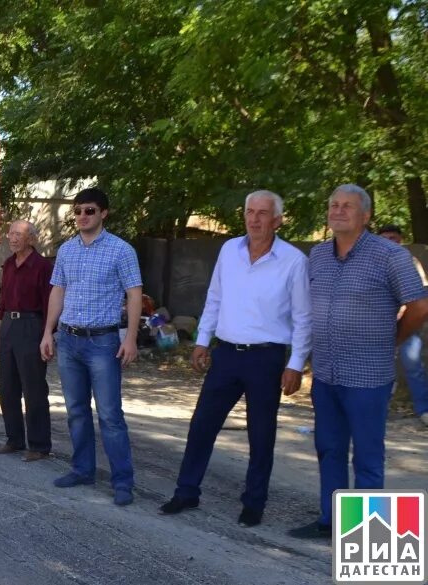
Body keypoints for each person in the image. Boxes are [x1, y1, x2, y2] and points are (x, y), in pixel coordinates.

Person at [158, 191, 311, 528]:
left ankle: (254, 503)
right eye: (249, 212)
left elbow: (303, 317)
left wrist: (295, 363)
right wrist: (201, 342)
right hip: (226, 354)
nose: (254, 219)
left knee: (261, 434)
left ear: (278, 220)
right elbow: (214, 298)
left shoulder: (293, 261)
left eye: (262, 213)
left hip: (267, 359)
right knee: (201, 426)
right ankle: (187, 491)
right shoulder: (230, 251)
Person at [289, 184, 428, 539]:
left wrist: (393, 338)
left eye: (347, 206)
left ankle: (366, 535)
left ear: (365, 216)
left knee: (366, 456)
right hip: (327, 373)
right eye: (333, 205)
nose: (337, 211)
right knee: (329, 449)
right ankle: (330, 521)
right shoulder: (317, 255)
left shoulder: (389, 256)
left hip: (368, 375)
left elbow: (420, 306)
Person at [40, 187, 142, 506]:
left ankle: (122, 481)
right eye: (78, 211)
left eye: (89, 211)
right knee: (76, 411)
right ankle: (82, 469)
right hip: (69, 341)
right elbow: (57, 292)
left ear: (103, 214)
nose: (82, 216)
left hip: (103, 342)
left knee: (110, 414)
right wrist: (48, 332)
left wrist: (131, 338)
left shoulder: (121, 250)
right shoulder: (67, 250)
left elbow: (135, 294)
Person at [0, 220, 53, 462]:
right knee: (7, 387)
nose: (12, 238)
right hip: (9, 324)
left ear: (31, 239)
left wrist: (48, 333)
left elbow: (49, 302)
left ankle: (39, 445)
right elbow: (3, 301)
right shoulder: (8, 264)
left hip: (31, 325)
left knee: (33, 387)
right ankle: (14, 439)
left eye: (18, 234)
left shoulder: (42, 266)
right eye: (10, 234)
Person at [376, 224, 428, 427]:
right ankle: (380, 408)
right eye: (385, 238)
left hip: (406, 324)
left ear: (401, 240)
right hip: (377, 325)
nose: (390, 242)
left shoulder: (409, 261)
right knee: (377, 369)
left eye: (394, 238)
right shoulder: (370, 260)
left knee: (413, 365)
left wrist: (406, 315)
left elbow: (421, 294)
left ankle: (423, 409)